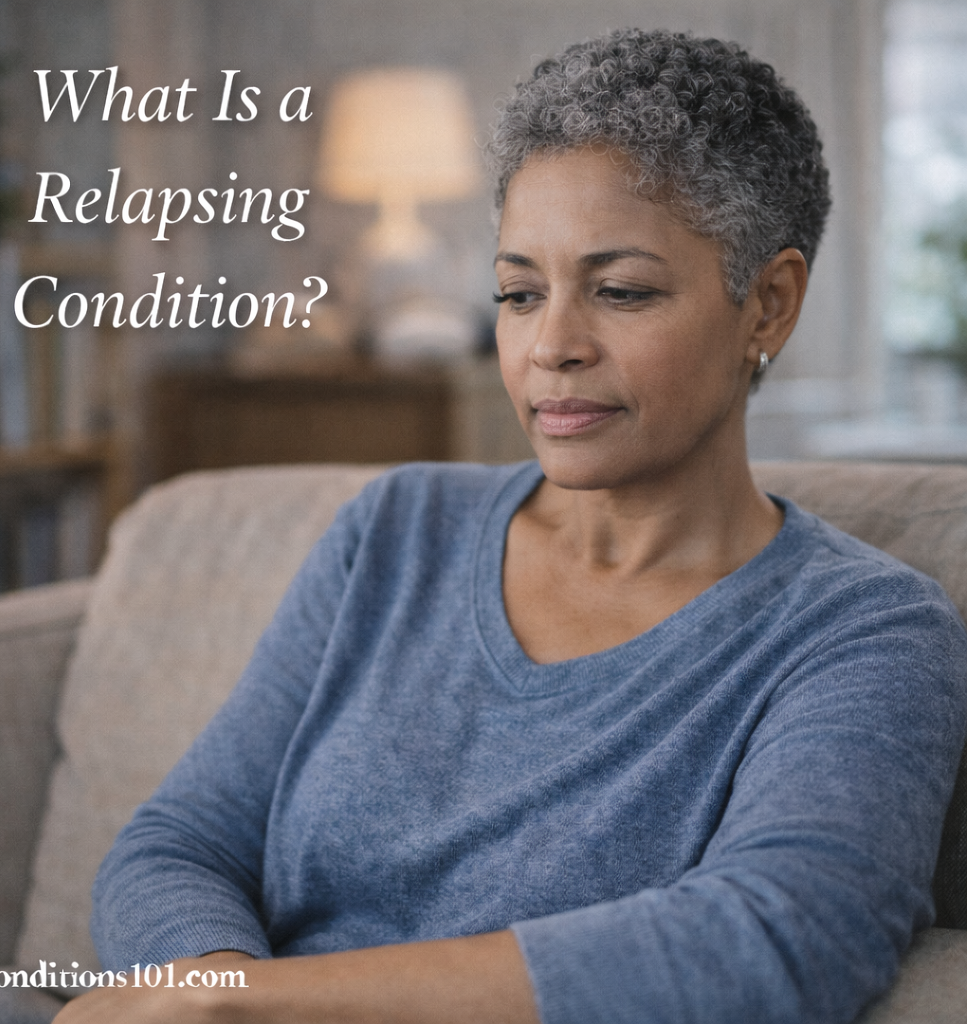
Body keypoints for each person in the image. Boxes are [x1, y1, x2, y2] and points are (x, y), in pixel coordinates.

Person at [56, 28, 966, 1024]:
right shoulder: (394, 531)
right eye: (518, 292)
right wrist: (210, 994)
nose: (552, 346)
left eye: (620, 291)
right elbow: (179, 842)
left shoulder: (865, 633)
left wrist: (252, 1006)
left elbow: (773, 940)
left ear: (770, 304)